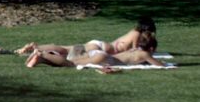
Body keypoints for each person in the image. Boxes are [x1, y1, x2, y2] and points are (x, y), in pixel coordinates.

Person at [15, 16, 156, 57]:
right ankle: (36, 49)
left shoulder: (132, 32)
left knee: (65, 49)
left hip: (99, 45)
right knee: (66, 51)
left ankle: (36, 47)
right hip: (100, 47)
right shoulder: (137, 34)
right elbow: (132, 51)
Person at [26, 31, 164, 68]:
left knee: (69, 57)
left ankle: (41, 57)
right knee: (71, 64)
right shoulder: (145, 54)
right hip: (104, 57)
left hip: (97, 51)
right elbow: (160, 65)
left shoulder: (135, 51)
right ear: (151, 48)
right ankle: (43, 54)